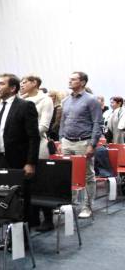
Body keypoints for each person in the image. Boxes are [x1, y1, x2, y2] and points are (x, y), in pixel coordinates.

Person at [0, 73, 39, 243]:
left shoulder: (25, 106)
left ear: (13, 88)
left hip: (17, 161)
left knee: (19, 200)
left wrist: (30, 163)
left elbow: (33, 137)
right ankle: (8, 237)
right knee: (2, 198)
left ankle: (20, 241)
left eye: (2, 84)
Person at [58, 71, 102, 219]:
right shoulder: (66, 100)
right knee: (67, 173)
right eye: (69, 79)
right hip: (67, 141)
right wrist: (61, 139)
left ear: (82, 82)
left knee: (87, 175)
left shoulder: (91, 100)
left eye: (73, 79)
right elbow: (63, 122)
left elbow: (97, 123)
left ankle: (87, 206)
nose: (69, 81)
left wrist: (92, 144)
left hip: (84, 142)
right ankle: (70, 203)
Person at [20, 75, 56, 231]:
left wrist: (22, 133)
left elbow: (44, 126)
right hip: (22, 146)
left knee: (40, 183)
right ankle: (32, 217)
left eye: (25, 82)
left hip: (38, 144)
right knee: (25, 184)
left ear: (35, 83)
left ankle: (48, 219)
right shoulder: (21, 99)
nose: (22, 85)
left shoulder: (45, 100)